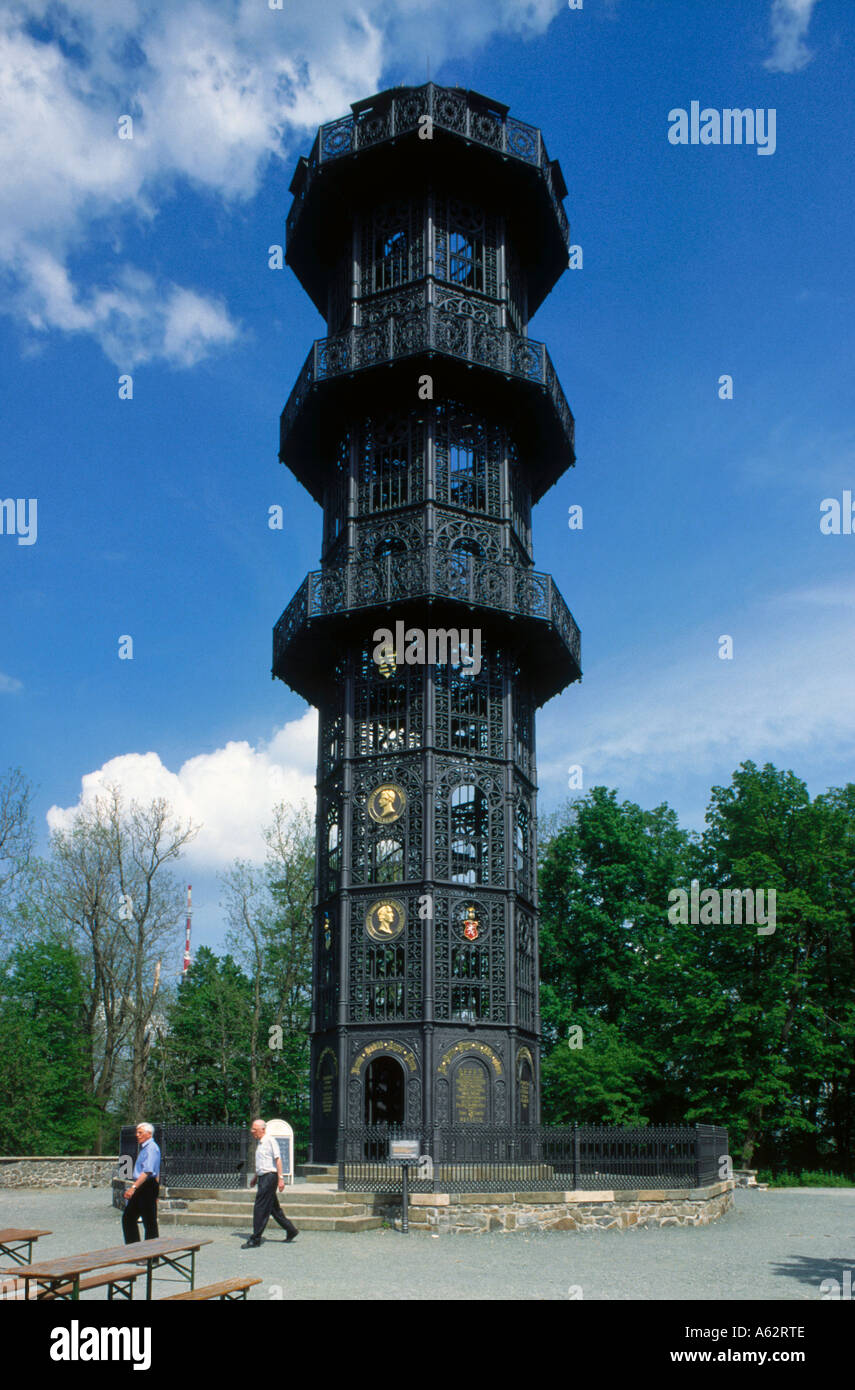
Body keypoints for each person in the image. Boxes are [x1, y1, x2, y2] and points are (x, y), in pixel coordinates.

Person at [241, 1119, 298, 1248]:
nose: (252, 1131)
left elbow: (278, 1160)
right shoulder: (260, 1143)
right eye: (252, 1129)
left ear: (263, 1129)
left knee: (260, 1206)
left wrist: (281, 1179)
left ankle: (255, 1238)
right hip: (263, 1177)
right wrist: (255, 1177)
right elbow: (262, 1163)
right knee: (273, 1208)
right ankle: (291, 1230)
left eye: (254, 1129)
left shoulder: (270, 1141)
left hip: (270, 1177)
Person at [122, 1121, 161, 1243]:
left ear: (149, 1134)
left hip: (146, 1186)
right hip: (145, 1185)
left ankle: (151, 1256)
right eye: (137, 1132)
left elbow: (148, 1171)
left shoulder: (151, 1148)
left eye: (140, 1132)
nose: (137, 1135)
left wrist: (133, 1187)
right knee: (129, 1217)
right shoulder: (146, 1148)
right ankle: (136, 1250)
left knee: (149, 1221)